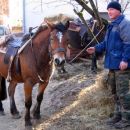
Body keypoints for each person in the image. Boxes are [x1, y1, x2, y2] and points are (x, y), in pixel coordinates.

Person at [87, 1, 130, 129]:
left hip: (122, 65)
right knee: (115, 92)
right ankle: (118, 115)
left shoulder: (125, 24)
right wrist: (95, 48)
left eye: (111, 9)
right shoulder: (112, 26)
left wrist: (125, 60)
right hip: (112, 64)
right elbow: (106, 44)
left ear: (118, 11)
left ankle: (127, 118)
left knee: (123, 93)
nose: (109, 12)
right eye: (108, 10)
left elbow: (128, 44)